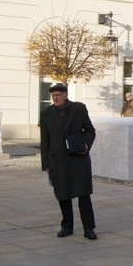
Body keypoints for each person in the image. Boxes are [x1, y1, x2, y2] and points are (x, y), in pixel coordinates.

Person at [39, 83, 97, 240]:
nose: (56, 98)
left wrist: (86, 145)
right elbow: (45, 140)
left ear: (66, 95)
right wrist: (46, 164)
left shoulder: (78, 108)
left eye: (58, 95)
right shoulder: (46, 114)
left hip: (79, 158)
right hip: (58, 160)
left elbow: (90, 130)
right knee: (63, 195)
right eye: (53, 96)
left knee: (83, 195)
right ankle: (67, 226)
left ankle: (89, 228)